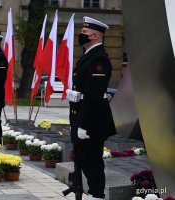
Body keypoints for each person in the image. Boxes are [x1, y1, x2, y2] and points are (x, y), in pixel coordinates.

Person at [67, 16, 116, 200]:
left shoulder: (99, 60)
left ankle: (96, 195)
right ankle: (89, 193)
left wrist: (84, 125)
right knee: (83, 161)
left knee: (92, 162)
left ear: (95, 36)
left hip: (91, 122)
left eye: (85, 33)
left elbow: (94, 97)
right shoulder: (88, 56)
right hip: (80, 117)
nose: (81, 35)